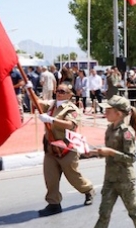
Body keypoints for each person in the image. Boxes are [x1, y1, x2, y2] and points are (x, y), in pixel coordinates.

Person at [77, 96, 136, 228]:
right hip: (110, 178)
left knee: (133, 210)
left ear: (118, 113)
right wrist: (92, 152)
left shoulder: (127, 133)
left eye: (108, 110)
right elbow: (108, 153)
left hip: (125, 179)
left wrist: (110, 152)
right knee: (103, 213)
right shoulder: (110, 129)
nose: (105, 112)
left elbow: (130, 158)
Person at [37, 83, 95, 217]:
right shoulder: (52, 104)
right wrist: (28, 89)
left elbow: (70, 124)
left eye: (63, 91)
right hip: (51, 147)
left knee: (73, 177)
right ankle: (54, 204)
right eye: (58, 90)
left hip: (66, 148)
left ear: (70, 95)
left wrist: (51, 120)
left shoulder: (71, 109)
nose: (59, 93)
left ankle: (88, 190)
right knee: (50, 177)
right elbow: (38, 103)